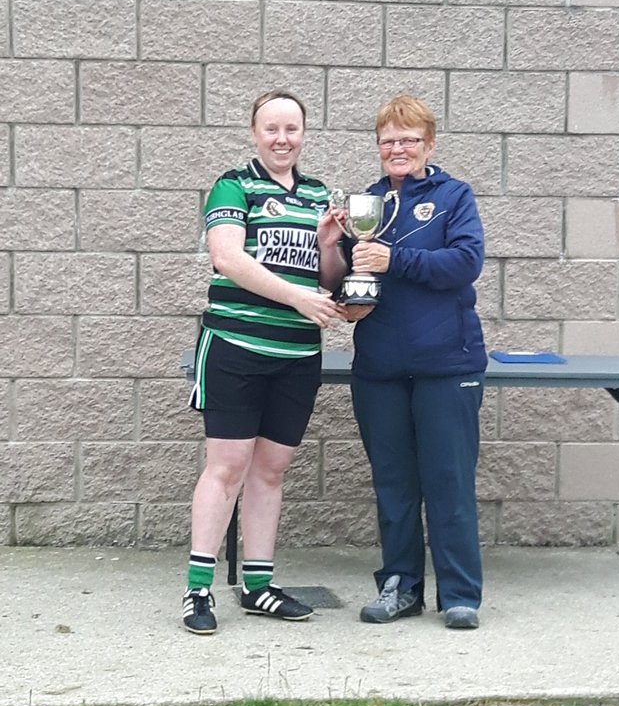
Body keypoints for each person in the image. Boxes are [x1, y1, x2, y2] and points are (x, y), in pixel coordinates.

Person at [183, 90, 347, 634]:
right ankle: (198, 590)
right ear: (255, 133)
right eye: (271, 129)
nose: (282, 139)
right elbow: (227, 257)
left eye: (292, 129)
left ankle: (257, 585)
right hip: (236, 349)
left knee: (271, 472)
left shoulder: (320, 194)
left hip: (298, 355)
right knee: (226, 468)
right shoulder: (234, 184)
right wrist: (297, 298)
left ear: (304, 134)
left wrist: (327, 244)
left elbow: (328, 283)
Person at [343, 94, 488, 629]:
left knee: (448, 481)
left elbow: (465, 263)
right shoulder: (368, 204)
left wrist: (394, 258)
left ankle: (460, 594)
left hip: (448, 365)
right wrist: (336, 248)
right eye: (388, 140)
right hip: (380, 367)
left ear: (429, 143)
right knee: (394, 485)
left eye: (408, 139)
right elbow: (351, 282)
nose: (397, 148)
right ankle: (399, 587)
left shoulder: (455, 196)